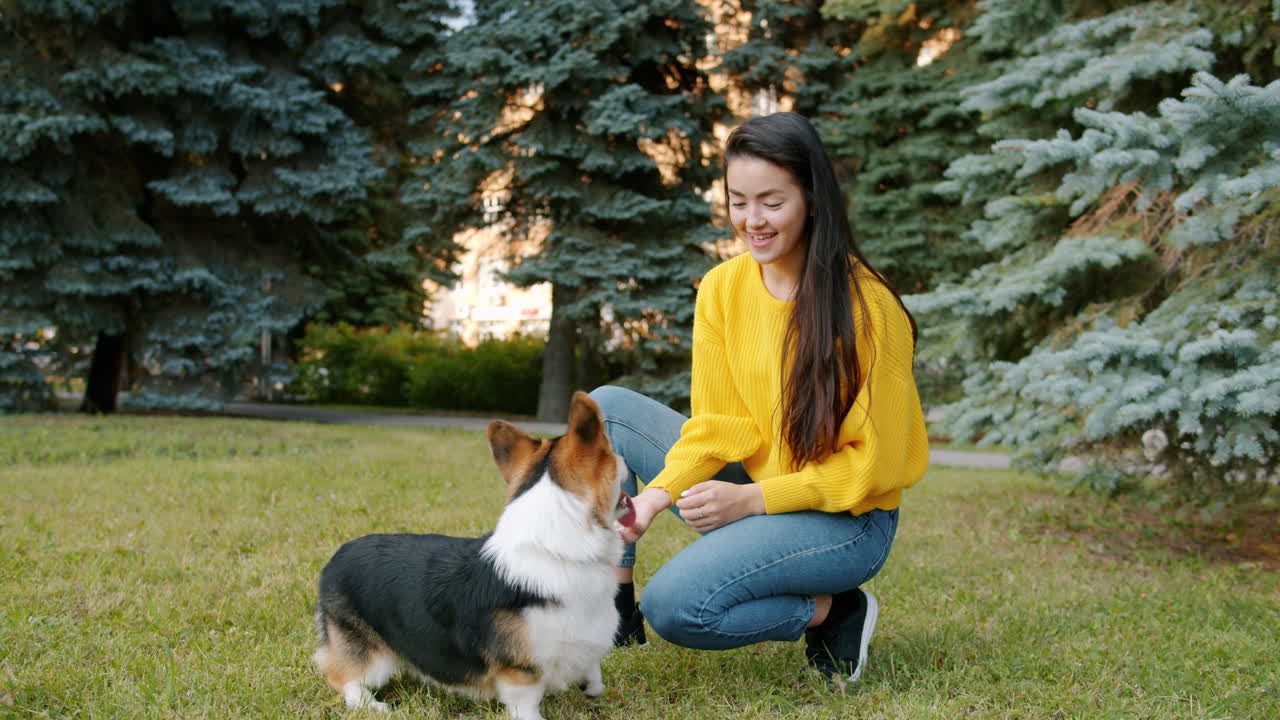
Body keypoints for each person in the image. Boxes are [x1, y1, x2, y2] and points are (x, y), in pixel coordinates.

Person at [591, 111, 929, 683]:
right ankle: (615, 607)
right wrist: (656, 497)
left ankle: (835, 610)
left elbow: (875, 467)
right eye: (738, 200)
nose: (753, 221)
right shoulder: (723, 287)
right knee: (605, 409)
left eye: (772, 202)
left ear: (813, 199)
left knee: (678, 606)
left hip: (847, 518)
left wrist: (751, 502)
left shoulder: (869, 309)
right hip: (759, 479)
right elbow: (720, 423)